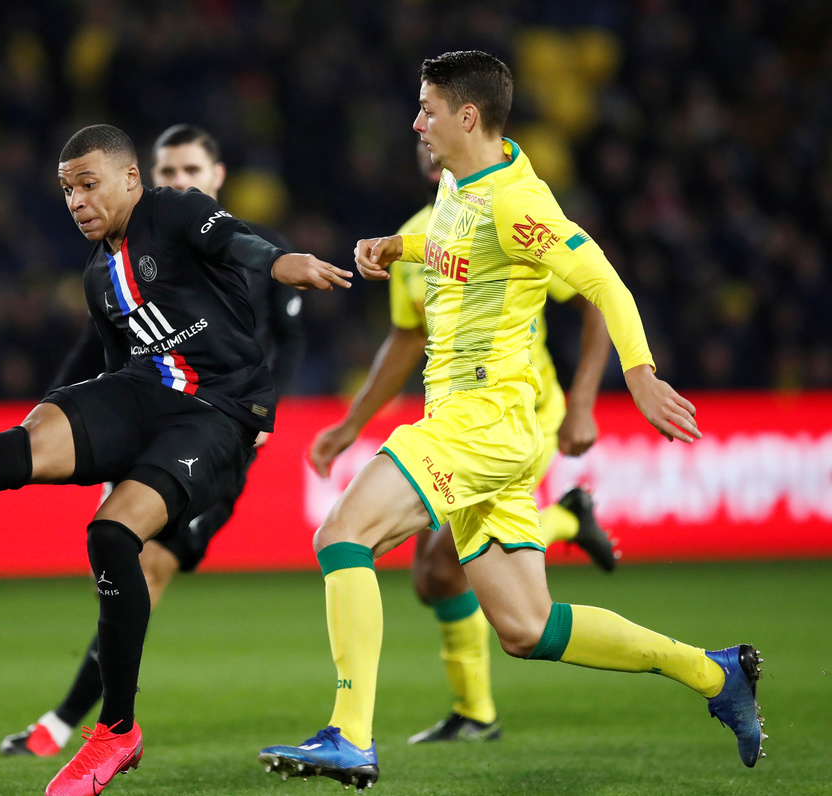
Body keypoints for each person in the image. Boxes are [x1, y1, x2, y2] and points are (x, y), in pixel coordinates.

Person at [258, 51, 763, 791]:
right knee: (528, 628)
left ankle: (350, 736)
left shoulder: (518, 203)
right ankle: (715, 675)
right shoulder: (460, 184)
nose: (416, 122)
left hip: (481, 420)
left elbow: (604, 281)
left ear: (467, 116)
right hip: (489, 426)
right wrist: (399, 248)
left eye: (427, 109)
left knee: (342, 534)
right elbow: (456, 250)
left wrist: (641, 374)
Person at [0, 123, 350, 795]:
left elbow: (236, 241)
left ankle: (115, 731)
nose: (76, 201)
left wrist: (280, 261)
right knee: (26, 438)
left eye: (89, 185)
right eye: (68, 190)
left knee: (112, 534)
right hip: (145, 390)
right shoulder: (98, 275)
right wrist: (81, 427)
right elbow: (115, 368)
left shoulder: (174, 209)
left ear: (132, 178)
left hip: (219, 412)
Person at [0, 124, 305, 758]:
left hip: (220, 429)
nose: (177, 181)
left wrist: (262, 417)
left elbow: (289, 341)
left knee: (147, 565)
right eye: (168, 171)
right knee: (123, 567)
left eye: (190, 170)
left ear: (216, 177)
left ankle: (70, 722)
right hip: (155, 417)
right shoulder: (133, 254)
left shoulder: (251, 248)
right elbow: (99, 352)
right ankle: (91, 723)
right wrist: (50, 416)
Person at [307, 142, 616, 744]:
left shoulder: (511, 217)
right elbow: (405, 341)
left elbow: (596, 300)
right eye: (421, 134)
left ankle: (473, 713)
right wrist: (350, 425)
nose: (428, 140)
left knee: (442, 565)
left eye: (435, 123)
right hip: (460, 423)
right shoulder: (413, 238)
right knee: (433, 578)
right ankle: (567, 521)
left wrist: (582, 402)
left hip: (522, 416)